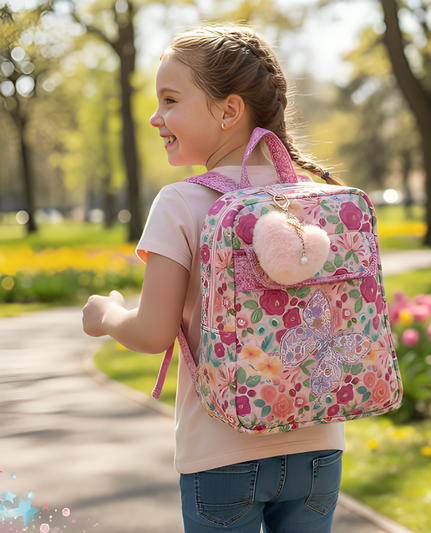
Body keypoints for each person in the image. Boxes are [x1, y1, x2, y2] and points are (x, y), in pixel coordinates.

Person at [82, 24, 345, 533]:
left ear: (228, 110)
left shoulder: (181, 203)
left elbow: (152, 333)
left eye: (171, 100)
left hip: (221, 451)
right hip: (319, 446)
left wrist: (106, 315)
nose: (156, 118)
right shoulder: (313, 200)